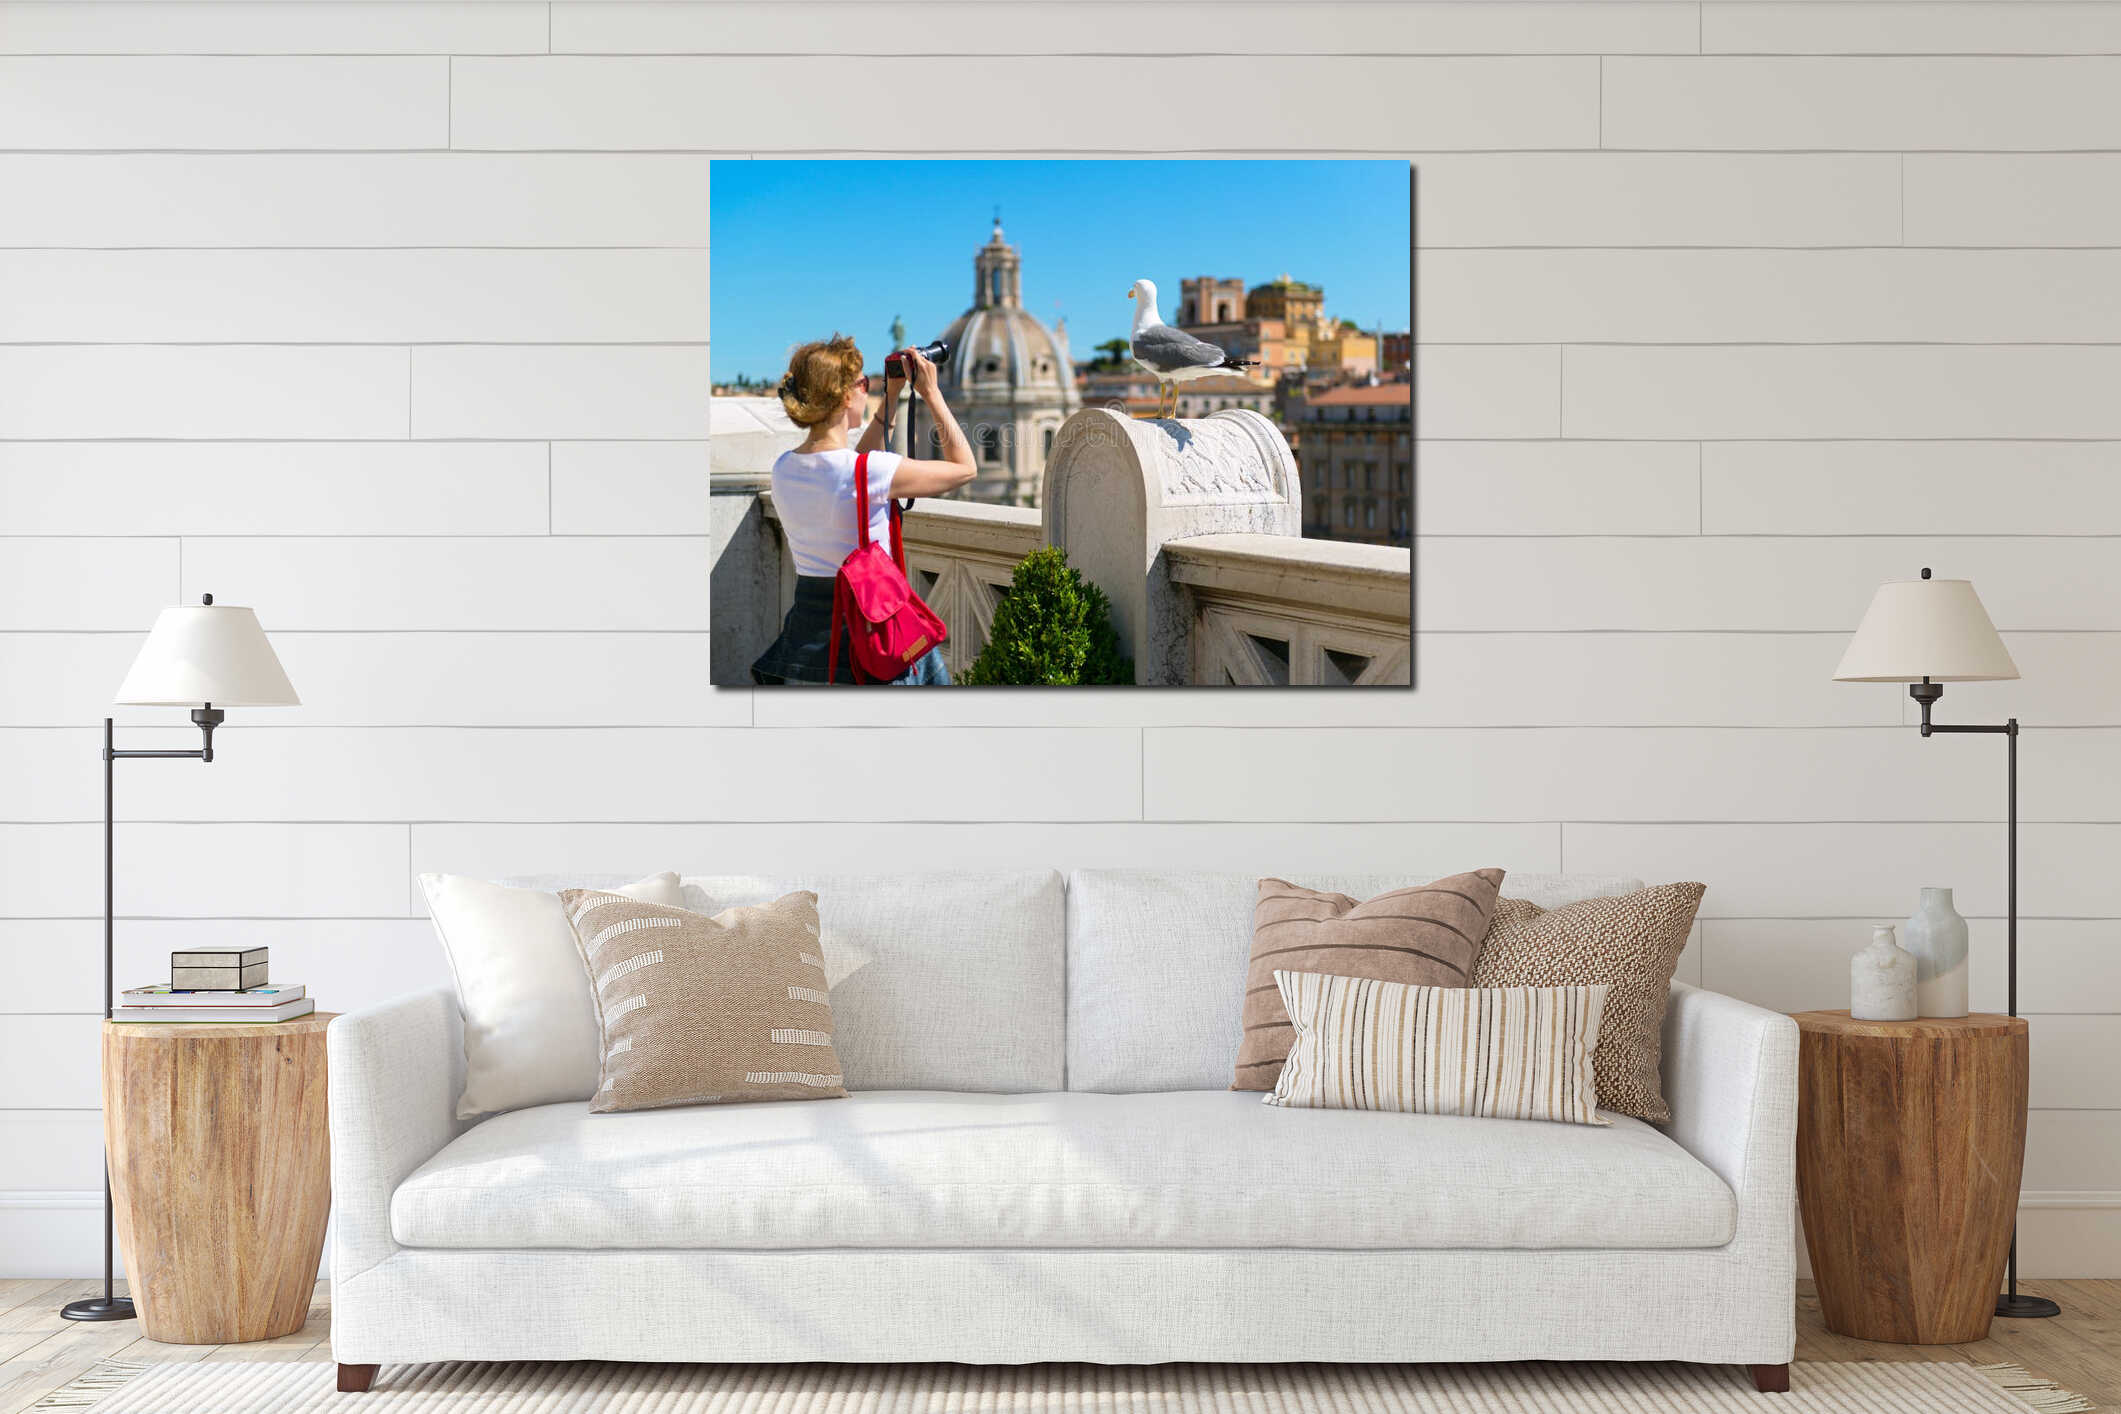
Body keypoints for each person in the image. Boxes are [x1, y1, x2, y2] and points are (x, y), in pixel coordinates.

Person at [750, 335, 975, 685]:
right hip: (872, 635)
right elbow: (964, 468)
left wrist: (891, 397)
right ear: (845, 396)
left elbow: (853, 469)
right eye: (863, 384)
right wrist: (931, 393)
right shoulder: (872, 472)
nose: (865, 390)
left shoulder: (784, 468)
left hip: (809, 639)